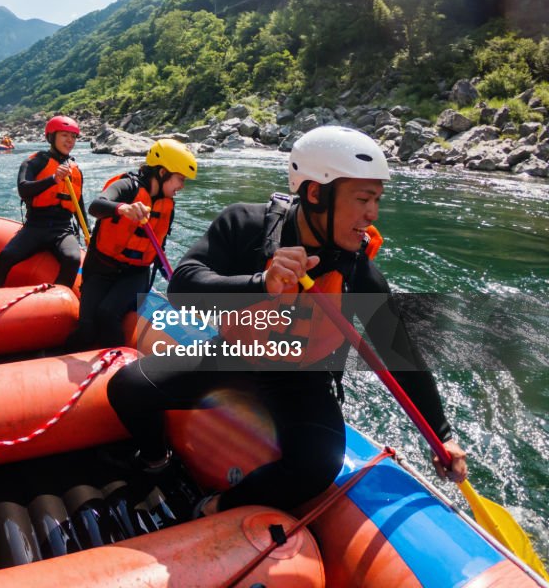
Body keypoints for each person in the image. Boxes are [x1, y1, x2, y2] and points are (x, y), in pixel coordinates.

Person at [107, 126, 467, 512]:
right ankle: (156, 458)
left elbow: (401, 352)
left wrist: (442, 434)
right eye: (362, 199)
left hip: (302, 378)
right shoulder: (245, 224)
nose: (372, 214)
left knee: (317, 465)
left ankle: (217, 507)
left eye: (376, 199)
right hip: (234, 355)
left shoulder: (358, 270)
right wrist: (262, 283)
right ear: (315, 193)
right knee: (127, 388)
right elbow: (183, 284)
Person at [68, 139, 197, 351]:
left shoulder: (168, 206)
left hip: (135, 274)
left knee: (108, 314)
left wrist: (177, 282)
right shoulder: (127, 186)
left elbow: (158, 249)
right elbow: (96, 206)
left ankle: (118, 370)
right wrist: (122, 209)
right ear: (163, 172)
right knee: (86, 328)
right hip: (101, 269)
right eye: (180, 179)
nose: (181, 186)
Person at [0, 115, 85, 289]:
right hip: (35, 226)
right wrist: (54, 179)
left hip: (62, 229)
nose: (70, 141)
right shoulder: (34, 162)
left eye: (73, 137)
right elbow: (24, 189)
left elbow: (78, 203)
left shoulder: (75, 169)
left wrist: (87, 231)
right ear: (51, 137)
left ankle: (58, 301)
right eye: (64, 135)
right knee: (6, 257)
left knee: (73, 259)